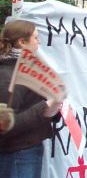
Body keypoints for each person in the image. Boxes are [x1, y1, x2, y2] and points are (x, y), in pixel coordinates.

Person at [0, 19, 62, 178]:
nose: (39, 42)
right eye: (35, 37)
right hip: (17, 154)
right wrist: (44, 107)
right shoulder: (8, 75)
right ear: (22, 42)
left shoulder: (24, 69)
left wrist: (53, 110)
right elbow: (5, 126)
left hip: (26, 150)